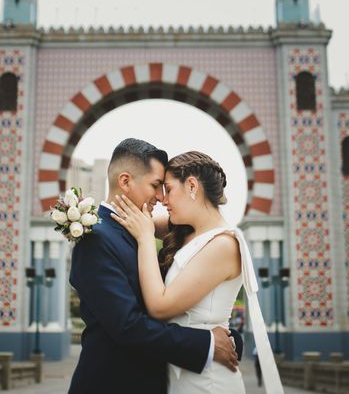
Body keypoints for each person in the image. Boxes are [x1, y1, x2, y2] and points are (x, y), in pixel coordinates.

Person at [68, 139, 240, 394]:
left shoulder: (140, 230)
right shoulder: (97, 238)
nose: (161, 197)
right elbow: (128, 326)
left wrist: (229, 337)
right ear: (125, 182)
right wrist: (207, 343)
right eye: (156, 186)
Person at [111, 150, 284, 394]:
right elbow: (140, 217)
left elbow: (160, 307)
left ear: (192, 185)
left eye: (168, 189)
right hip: (183, 369)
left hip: (207, 379)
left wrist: (146, 239)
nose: (162, 199)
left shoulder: (223, 245)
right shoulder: (186, 231)